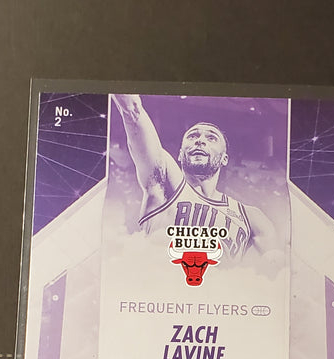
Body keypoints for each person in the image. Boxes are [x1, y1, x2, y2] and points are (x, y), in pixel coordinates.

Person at [112, 94, 277, 260]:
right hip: (158, 276)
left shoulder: (251, 217)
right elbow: (133, 112)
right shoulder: (164, 185)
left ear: (224, 159)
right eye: (193, 136)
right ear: (180, 154)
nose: (200, 141)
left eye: (211, 138)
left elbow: (277, 266)